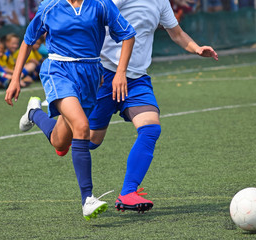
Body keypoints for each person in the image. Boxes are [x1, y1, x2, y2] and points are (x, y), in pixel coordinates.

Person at [5, 0, 136, 220]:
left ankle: (34, 113)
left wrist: (121, 72)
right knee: (82, 126)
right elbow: (28, 40)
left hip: (91, 75)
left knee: (59, 141)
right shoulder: (50, 6)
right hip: (58, 70)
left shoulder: (101, 5)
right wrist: (14, 78)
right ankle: (87, 199)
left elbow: (128, 34)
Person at [86, 0, 218, 213]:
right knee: (91, 141)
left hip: (137, 79)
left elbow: (176, 33)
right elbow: (91, 24)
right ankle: (39, 117)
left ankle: (128, 192)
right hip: (104, 74)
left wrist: (196, 48)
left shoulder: (161, 1)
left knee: (150, 128)